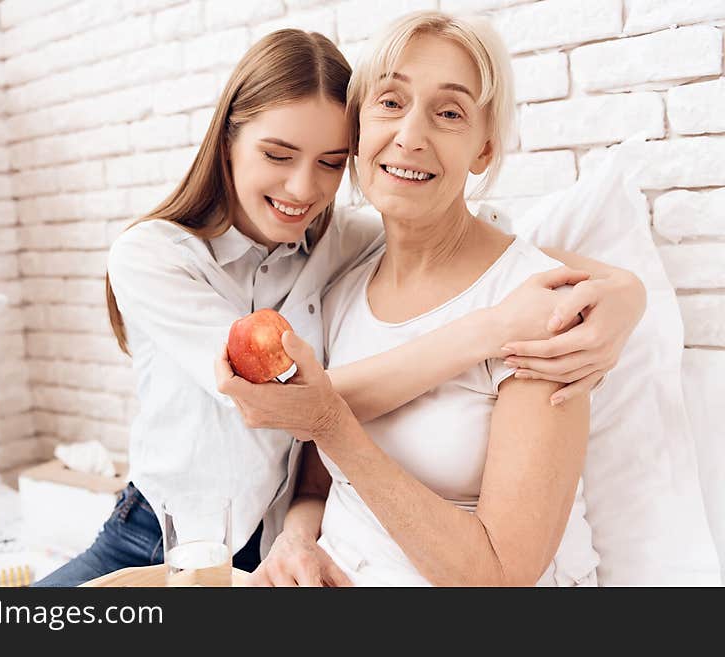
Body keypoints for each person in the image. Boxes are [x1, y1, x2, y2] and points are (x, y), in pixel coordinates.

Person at [35, 27, 644, 587]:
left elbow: (495, 246)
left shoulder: (343, 241)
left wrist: (624, 294)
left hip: (266, 545)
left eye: (329, 163)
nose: (303, 190)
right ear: (226, 142)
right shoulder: (155, 255)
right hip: (158, 533)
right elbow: (269, 399)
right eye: (277, 155)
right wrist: (486, 331)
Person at [217, 12, 618, 586]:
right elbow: (314, 483)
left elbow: (500, 576)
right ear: (357, 132)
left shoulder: (538, 308)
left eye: (449, 112)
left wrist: (333, 422)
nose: (410, 135)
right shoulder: (339, 291)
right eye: (389, 102)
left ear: (483, 150)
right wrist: (295, 540)